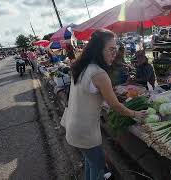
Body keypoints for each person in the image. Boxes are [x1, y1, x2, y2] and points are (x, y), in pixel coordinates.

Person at [60, 29, 148, 180]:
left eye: (116, 49)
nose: (115, 54)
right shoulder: (99, 73)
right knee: (99, 167)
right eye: (111, 49)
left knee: (91, 163)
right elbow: (115, 106)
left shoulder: (83, 66)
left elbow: (89, 92)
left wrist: (109, 92)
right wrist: (136, 114)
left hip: (73, 127)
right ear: (98, 49)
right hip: (85, 132)